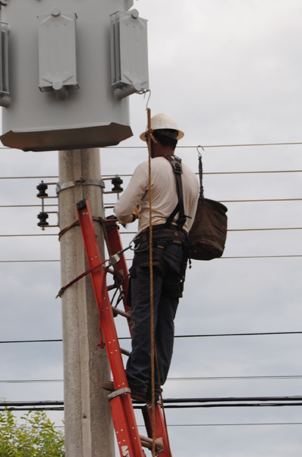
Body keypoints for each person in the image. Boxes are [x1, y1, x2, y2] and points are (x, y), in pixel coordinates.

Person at [113, 113, 200, 402]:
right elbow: (190, 219)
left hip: (152, 248)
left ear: (152, 139)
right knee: (165, 320)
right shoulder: (190, 175)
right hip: (179, 251)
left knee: (144, 315)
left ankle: (137, 379)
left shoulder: (148, 167)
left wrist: (137, 213)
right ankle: (155, 383)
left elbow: (123, 211)